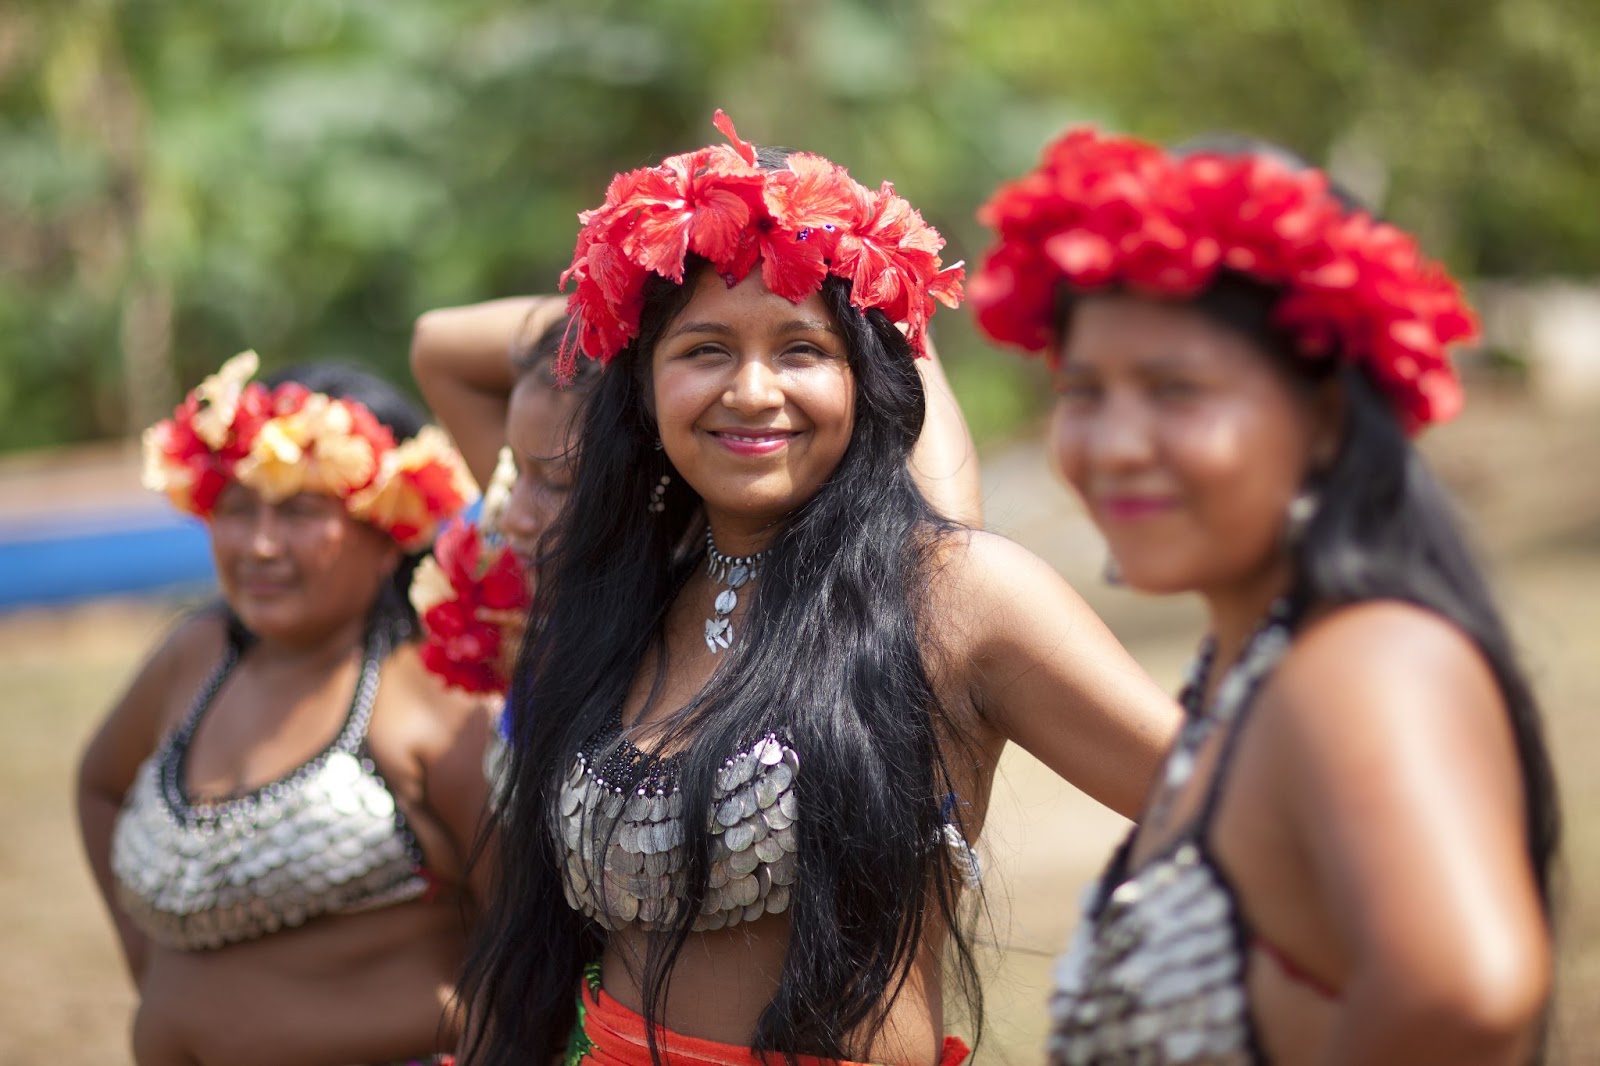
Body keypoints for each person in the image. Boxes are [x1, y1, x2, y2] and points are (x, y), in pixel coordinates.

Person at [459, 111, 1182, 1066]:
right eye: (704, 349)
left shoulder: (953, 598)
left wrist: (856, 257)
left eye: (802, 349)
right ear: (641, 387)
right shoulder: (621, 601)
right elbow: (443, 351)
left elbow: (1246, 817)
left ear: (868, 376)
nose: (754, 391)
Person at [970, 127, 1559, 1065]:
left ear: (1324, 415)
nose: (1116, 444)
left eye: (1175, 390)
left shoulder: (1365, 663)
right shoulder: (1248, 680)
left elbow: (1466, 994)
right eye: (1085, 391)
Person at [77, 353, 494, 1066]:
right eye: (237, 508)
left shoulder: (439, 691)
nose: (260, 545)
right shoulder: (197, 655)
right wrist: (157, 973)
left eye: (301, 511)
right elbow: (100, 786)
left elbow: (533, 934)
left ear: (391, 528)